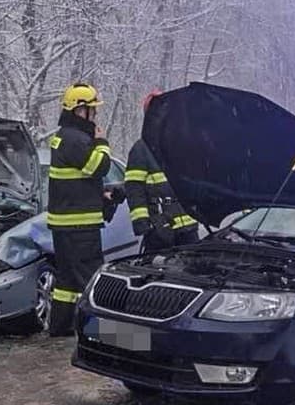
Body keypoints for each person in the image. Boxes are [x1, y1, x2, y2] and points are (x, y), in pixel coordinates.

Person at [47, 83, 113, 337]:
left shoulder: (64, 136)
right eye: (92, 110)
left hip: (65, 224)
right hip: (80, 226)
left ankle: (60, 327)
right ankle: (112, 335)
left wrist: (99, 194)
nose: (94, 115)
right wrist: (102, 142)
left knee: (67, 280)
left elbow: (76, 179)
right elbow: (99, 167)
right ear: (79, 110)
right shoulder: (76, 139)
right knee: (91, 278)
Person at [125, 90, 199, 254]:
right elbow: (134, 189)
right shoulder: (141, 149)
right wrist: (147, 226)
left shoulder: (182, 145)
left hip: (188, 228)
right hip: (161, 230)